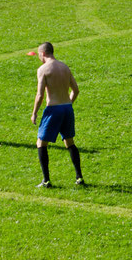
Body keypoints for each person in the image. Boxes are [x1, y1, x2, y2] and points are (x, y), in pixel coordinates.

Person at [31, 42, 84, 188]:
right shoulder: (64, 67)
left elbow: (40, 95)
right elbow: (76, 90)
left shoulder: (43, 69)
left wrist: (34, 113)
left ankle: (46, 181)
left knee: (41, 143)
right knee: (69, 142)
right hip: (67, 108)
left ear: (42, 54)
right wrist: (68, 104)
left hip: (53, 109)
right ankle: (79, 177)